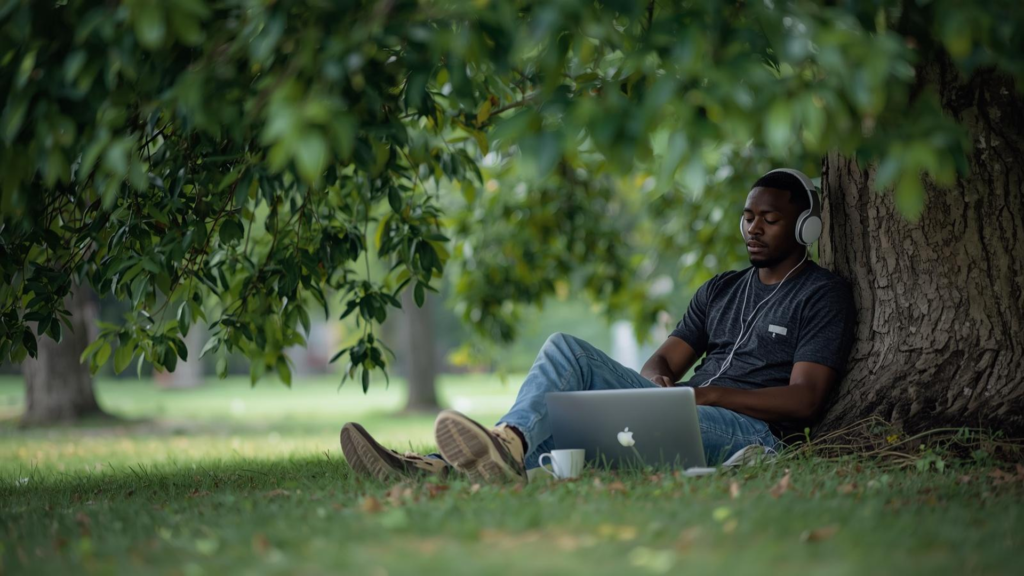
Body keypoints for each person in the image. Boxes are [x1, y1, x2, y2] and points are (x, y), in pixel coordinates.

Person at [340, 168, 856, 484]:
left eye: (770, 218)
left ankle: (498, 446)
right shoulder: (721, 288)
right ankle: (434, 468)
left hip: (751, 435)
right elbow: (665, 359)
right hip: (682, 414)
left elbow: (804, 400)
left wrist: (708, 396)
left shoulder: (822, 293)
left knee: (569, 352)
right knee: (564, 417)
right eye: (747, 216)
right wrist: (656, 381)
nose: (753, 227)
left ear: (806, 227)